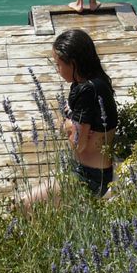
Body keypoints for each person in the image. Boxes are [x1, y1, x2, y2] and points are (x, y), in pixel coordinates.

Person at [38, 28, 117, 200]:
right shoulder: (95, 82)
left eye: (58, 64)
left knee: (21, 205)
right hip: (89, 171)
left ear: (73, 63)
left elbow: (77, 144)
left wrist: (67, 125)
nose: (57, 70)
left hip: (89, 178)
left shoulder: (87, 91)